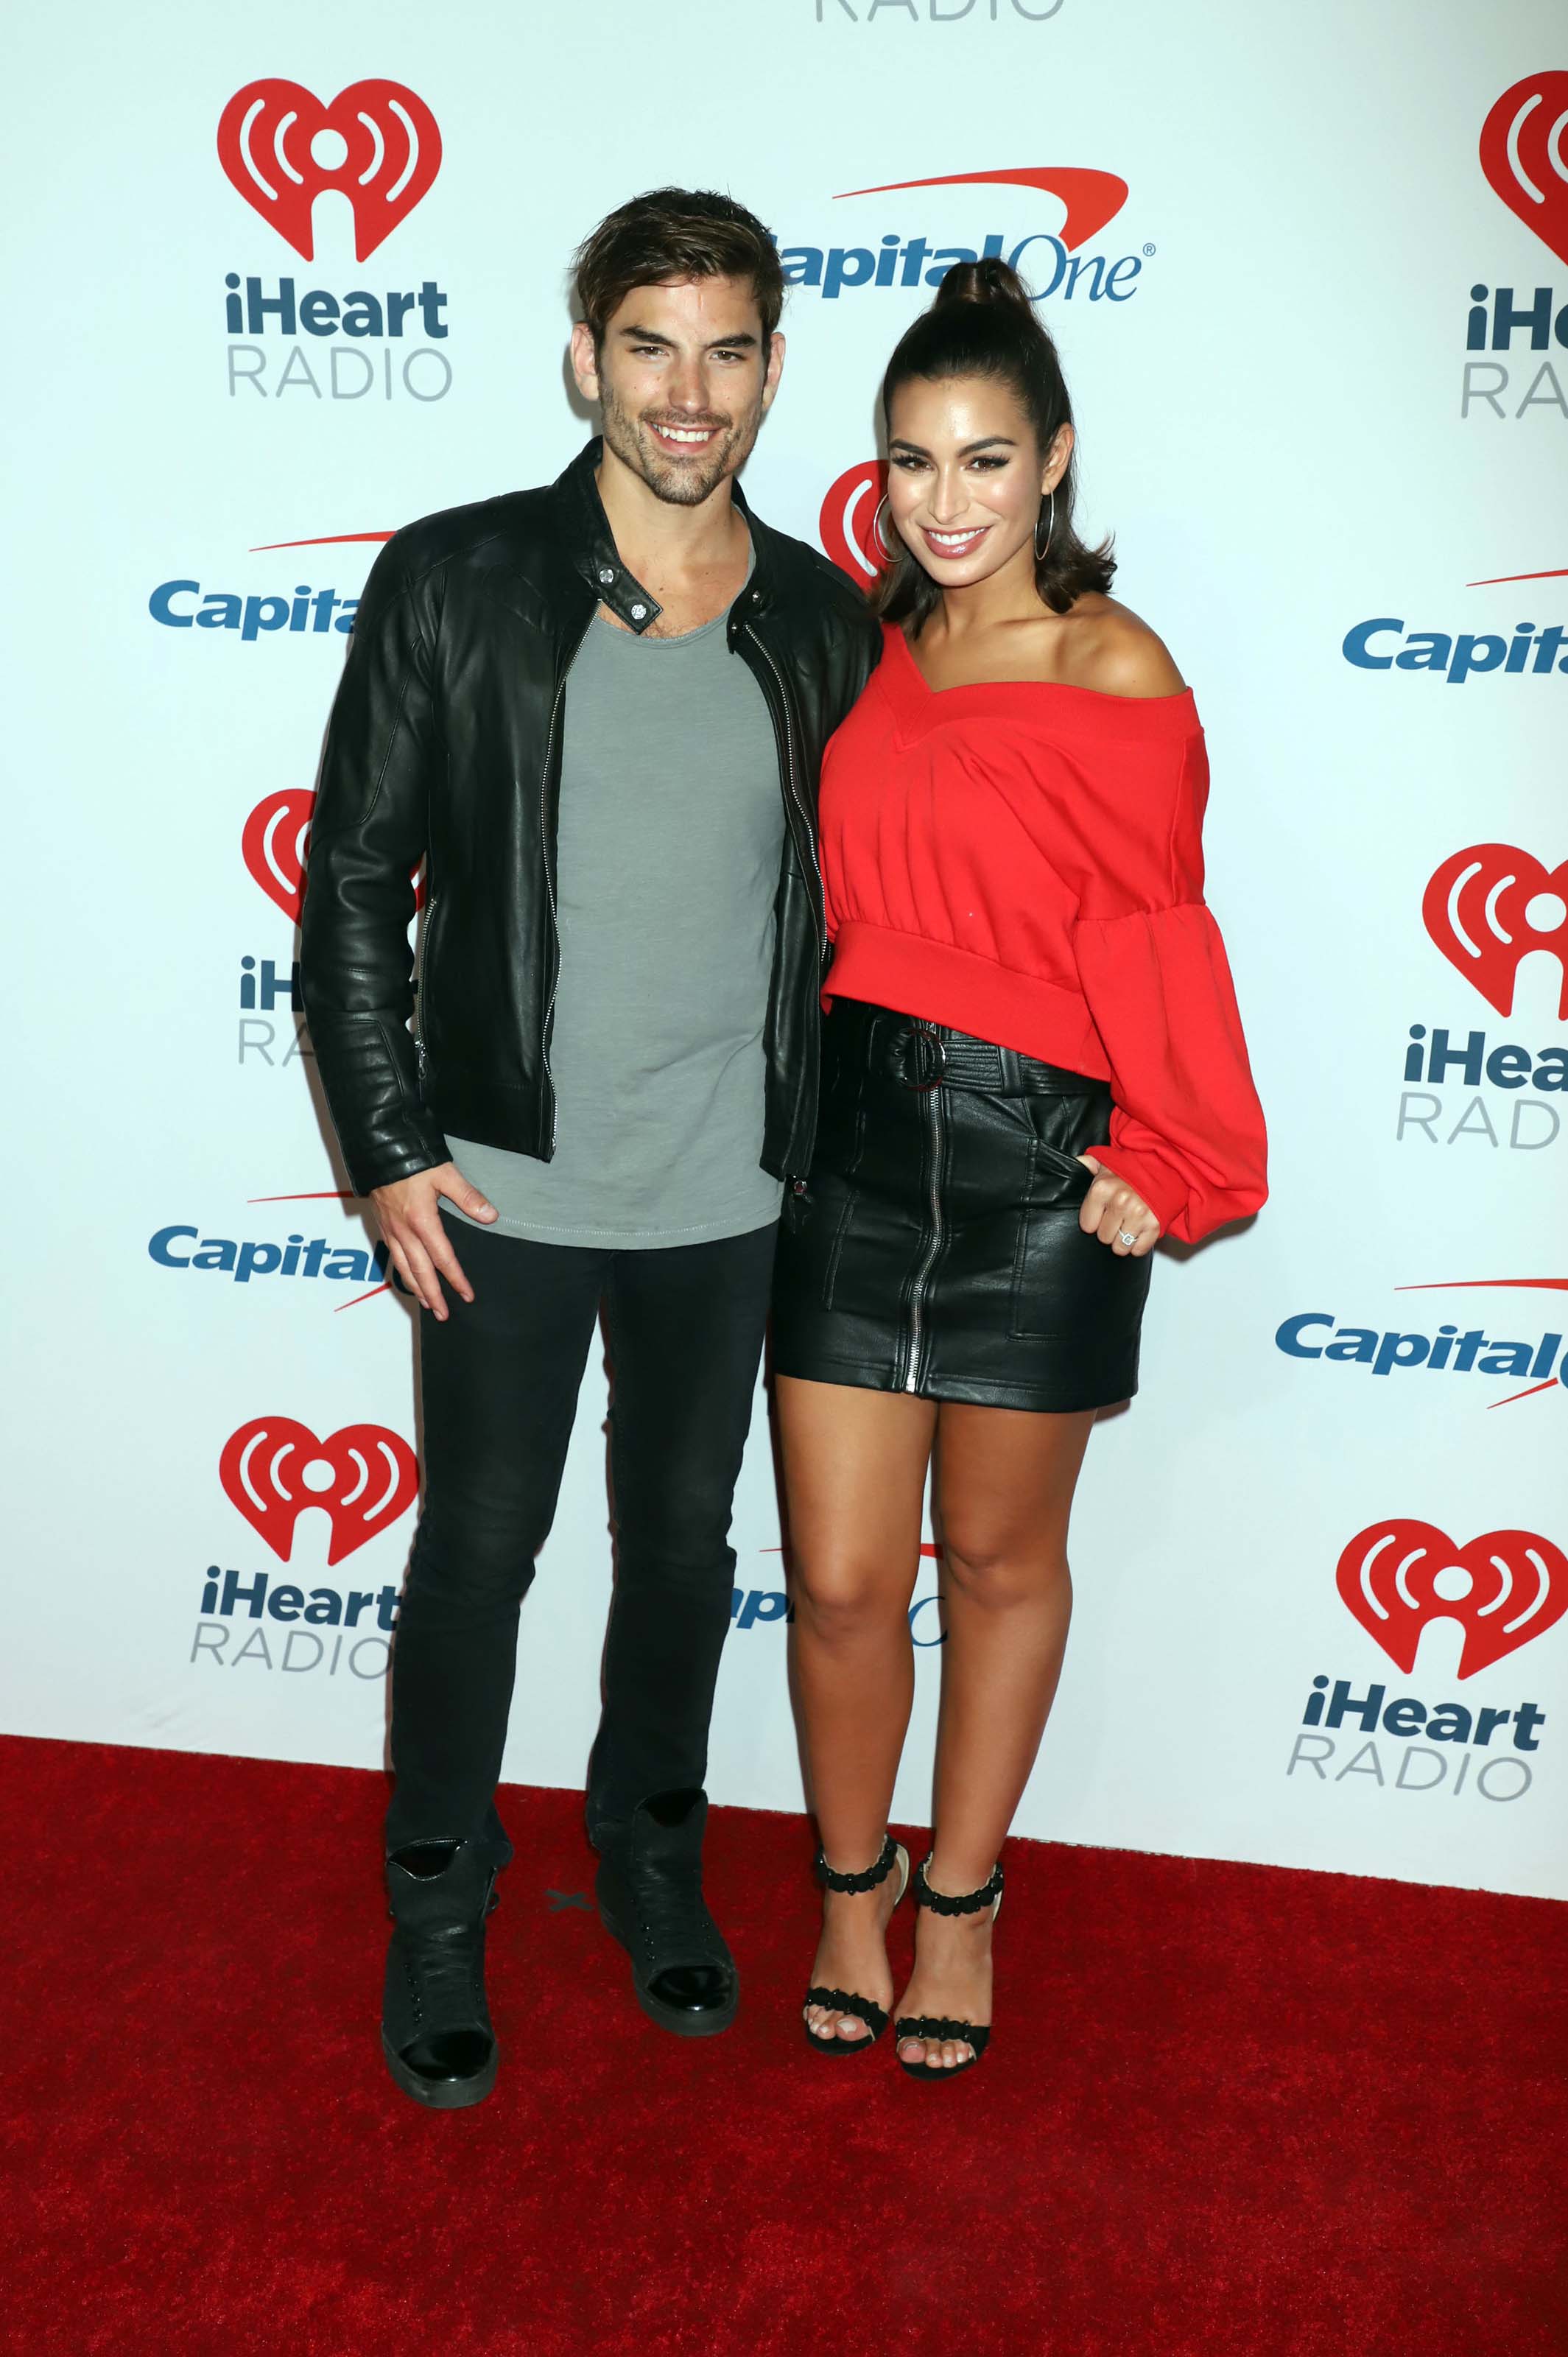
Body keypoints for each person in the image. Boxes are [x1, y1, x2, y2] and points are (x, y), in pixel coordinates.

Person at [300, 188, 879, 2108]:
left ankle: (650, 1858)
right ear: (586, 359)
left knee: (683, 1555)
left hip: (732, 1195)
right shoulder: (456, 580)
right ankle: (442, 1902)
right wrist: (387, 1148)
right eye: (650, 345)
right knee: (476, 1550)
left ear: (774, 370)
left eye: (726, 349)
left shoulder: (825, 625)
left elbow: (870, 919)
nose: (687, 392)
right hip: (506, 1186)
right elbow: (356, 882)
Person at [771, 259, 1268, 2081]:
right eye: (914, 461)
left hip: (1039, 1158)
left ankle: (961, 1901)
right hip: (851, 1134)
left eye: (987, 459)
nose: (949, 499)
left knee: (993, 1556)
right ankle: (847, 1886)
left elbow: (1159, 929)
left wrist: (1174, 1151)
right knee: (835, 1574)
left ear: (1055, 461)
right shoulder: (869, 645)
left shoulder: (1111, 662)